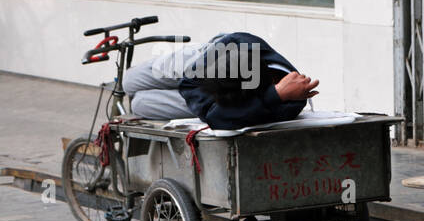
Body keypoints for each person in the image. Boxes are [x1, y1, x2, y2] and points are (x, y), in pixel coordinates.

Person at [124, 31, 319, 130]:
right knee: (129, 81)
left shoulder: (289, 102)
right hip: (199, 63)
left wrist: (274, 96)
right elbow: (188, 83)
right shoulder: (241, 44)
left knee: (140, 104)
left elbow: (216, 118)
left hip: (216, 104)